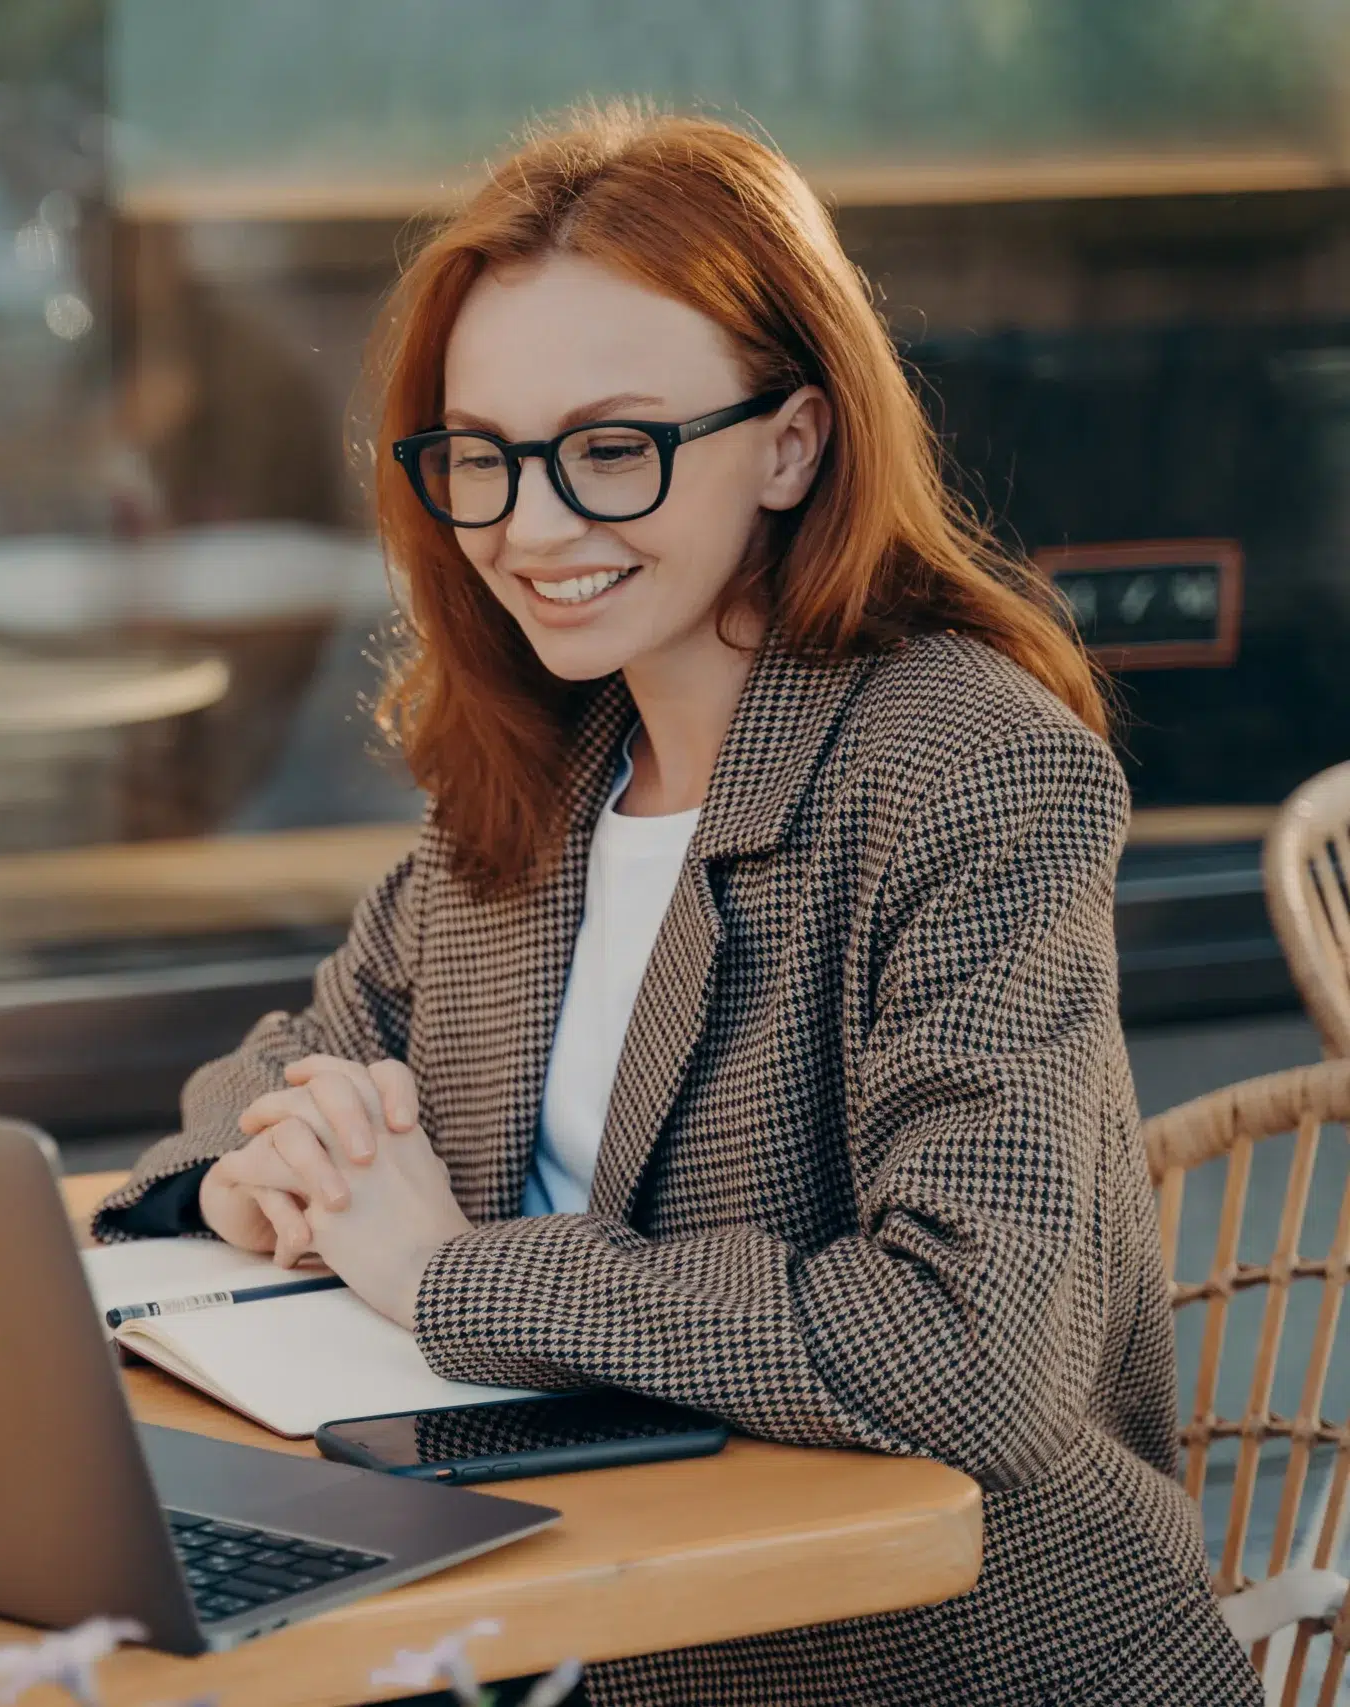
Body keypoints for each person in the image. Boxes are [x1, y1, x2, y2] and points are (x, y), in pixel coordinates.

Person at [93, 108, 1258, 1705]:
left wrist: (450, 1272)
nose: (530, 524)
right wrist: (252, 1178)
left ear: (792, 440)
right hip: (588, 1619)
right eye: (483, 455)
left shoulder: (971, 774)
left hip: (928, 1662)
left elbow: (973, 1346)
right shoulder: (547, 768)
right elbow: (283, 1071)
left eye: (613, 446)